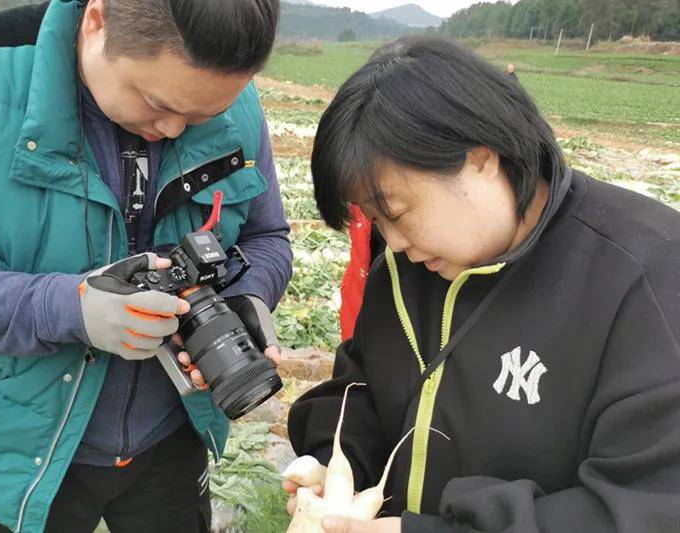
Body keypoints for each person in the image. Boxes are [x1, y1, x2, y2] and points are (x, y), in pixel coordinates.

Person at [0, 0, 292, 531]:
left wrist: (250, 295)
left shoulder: (227, 96)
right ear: (98, 19)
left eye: (201, 117)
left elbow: (267, 237)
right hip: (20, 444)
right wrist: (68, 308)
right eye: (154, 101)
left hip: (173, 433)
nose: (172, 129)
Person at [285, 37, 679, 533]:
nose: (394, 242)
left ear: (480, 158)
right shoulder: (411, 266)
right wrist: (336, 467)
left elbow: (649, 509)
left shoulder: (647, 277)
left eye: (398, 212)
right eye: (375, 220)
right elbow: (364, 386)